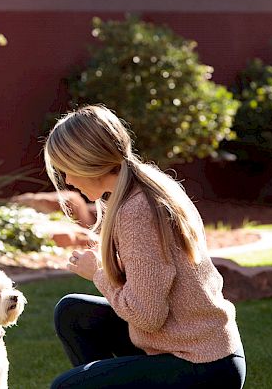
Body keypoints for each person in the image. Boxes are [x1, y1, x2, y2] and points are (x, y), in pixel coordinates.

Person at [43, 104, 246, 389]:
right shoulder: (143, 184)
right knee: (73, 313)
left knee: (68, 387)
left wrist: (98, 274)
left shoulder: (138, 211)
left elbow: (147, 316)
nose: (68, 181)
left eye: (68, 170)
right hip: (193, 346)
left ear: (87, 161)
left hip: (202, 363)